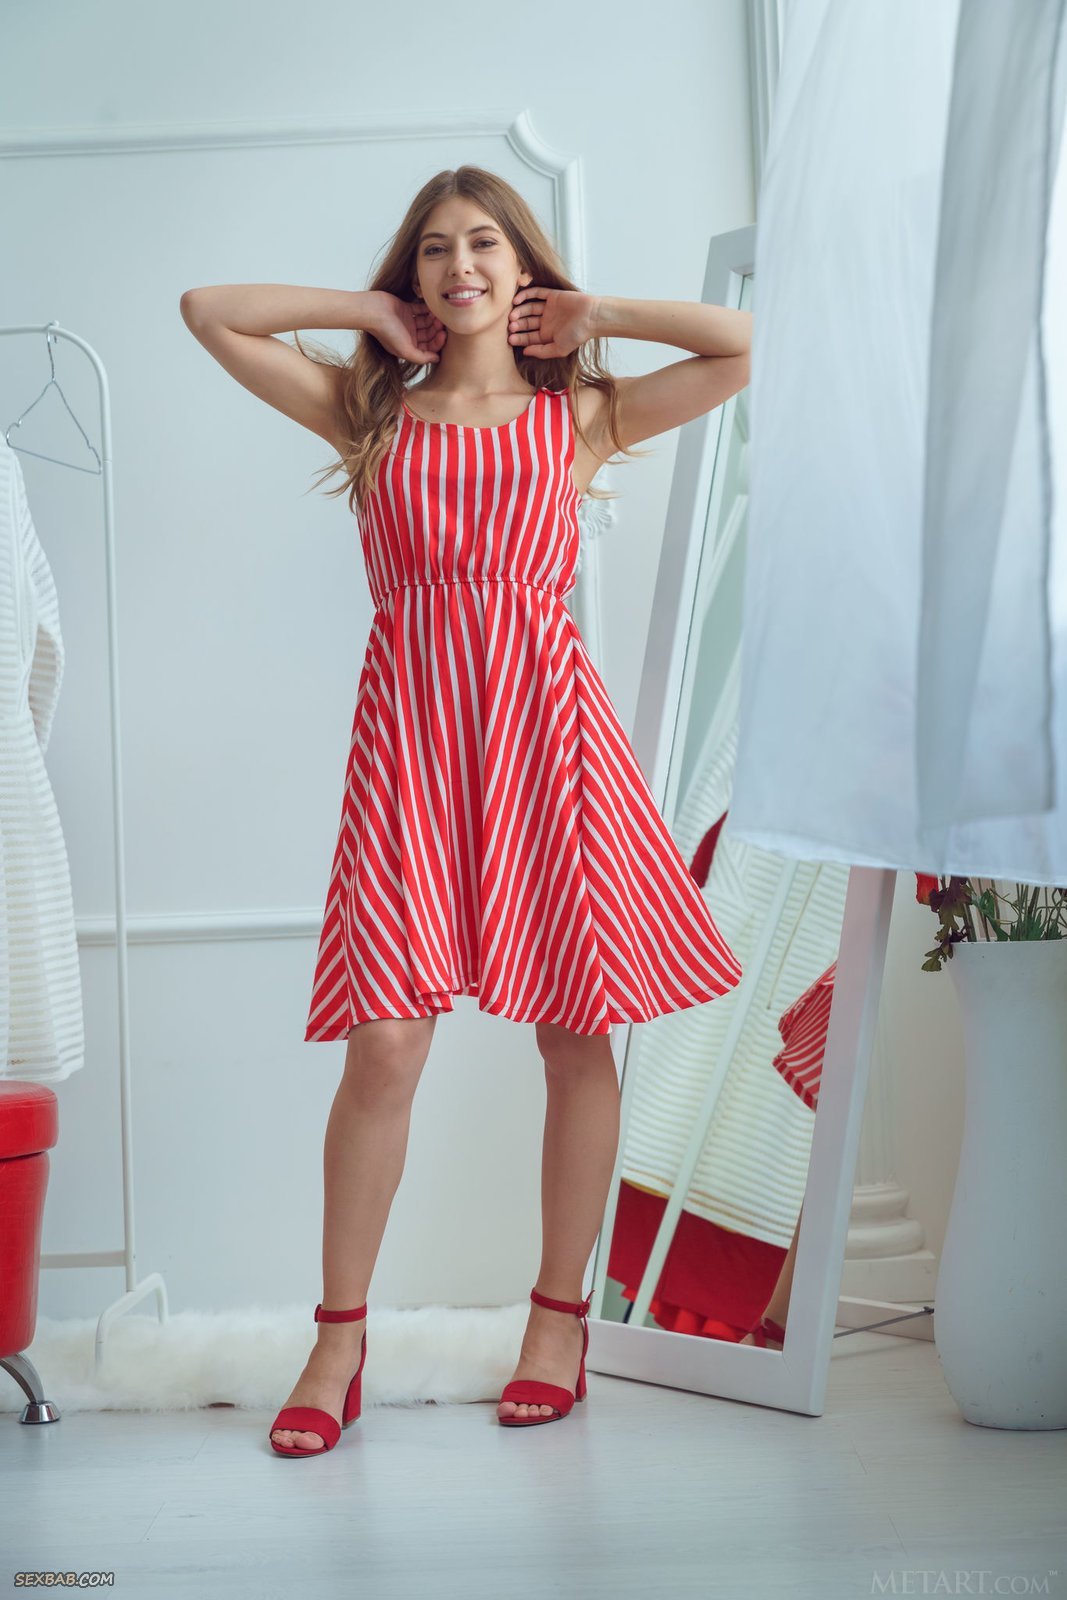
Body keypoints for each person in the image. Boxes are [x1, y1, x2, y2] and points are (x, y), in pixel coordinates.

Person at [180, 165, 753, 1454]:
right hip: (409, 760)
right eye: (434, 250)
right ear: (414, 275)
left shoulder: (579, 416)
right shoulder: (368, 413)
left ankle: (557, 1324)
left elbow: (746, 345)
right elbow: (208, 310)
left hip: (552, 753)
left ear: (523, 266)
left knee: (574, 1037)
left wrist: (599, 314)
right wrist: (362, 313)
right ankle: (339, 1340)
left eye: (485, 243)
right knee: (384, 1049)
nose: (460, 268)